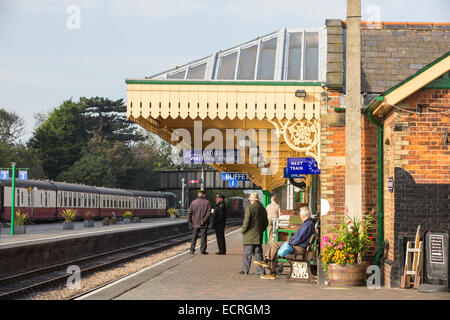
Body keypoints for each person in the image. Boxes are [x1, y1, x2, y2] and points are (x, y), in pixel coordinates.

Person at [254, 206, 315, 280]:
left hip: (300, 248)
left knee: (275, 244)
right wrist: (290, 241)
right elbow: (299, 237)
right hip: (297, 245)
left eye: (300, 214)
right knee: (275, 250)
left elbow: (300, 238)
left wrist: (290, 242)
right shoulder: (307, 223)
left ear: (304, 215)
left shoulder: (308, 224)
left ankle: (267, 261)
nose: (300, 216)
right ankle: (271, 271)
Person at [240, 192, 268, 275]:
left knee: (247, 254)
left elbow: (246, 221)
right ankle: (261, 271)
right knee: (258, 254)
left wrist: (243, 230)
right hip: (258, 235)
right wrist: (261, 230)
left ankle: (245, 270)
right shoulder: (263, 209)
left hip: (249, 235)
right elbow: (266, 222)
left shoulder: (250, 208)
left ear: (252, 200)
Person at [187, 190, 212, 254]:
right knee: (203, 237)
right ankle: (202, 251)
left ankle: (192, 250)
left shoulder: (193, 202)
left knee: (194, 236)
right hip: (204, 223)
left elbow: (189, 214)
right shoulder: (207, 202)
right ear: (204, 195)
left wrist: (190, 222)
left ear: (198, 195)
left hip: (195, 223)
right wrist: (204, 220)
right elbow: (208, 213)